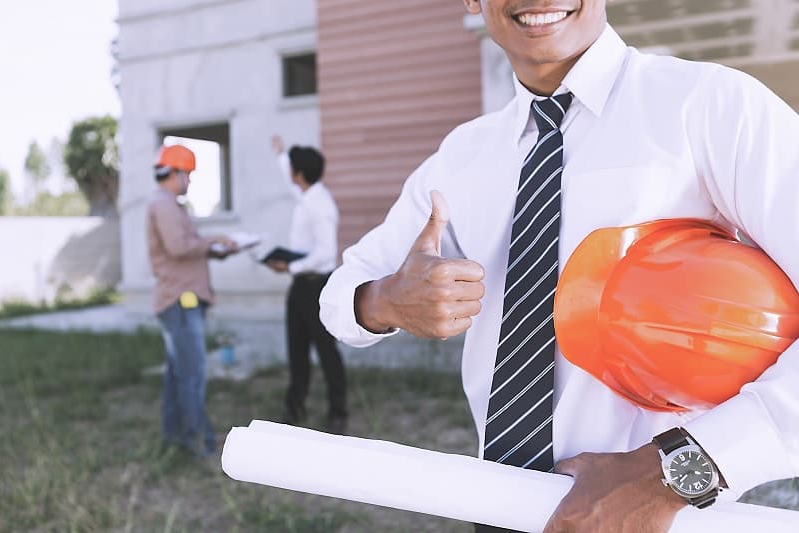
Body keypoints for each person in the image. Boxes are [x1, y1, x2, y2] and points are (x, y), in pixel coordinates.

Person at [318, 1, 799, 532]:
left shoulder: (708, 105)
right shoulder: (461, 157)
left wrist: (673, 472)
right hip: (500, 508)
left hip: (658, 518)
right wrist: (386, 299)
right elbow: (341, 295)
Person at [146, 144, 239, 458]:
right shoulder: (163, 205)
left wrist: (217, 250)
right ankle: (199, 443)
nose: (190, 181)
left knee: (178, 372)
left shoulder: (170, 205)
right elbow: (178, 247)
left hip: (181, 297)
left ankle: (175, 436)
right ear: (175, 172)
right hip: (181, 300)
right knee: (193, 373)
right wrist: (214, 240)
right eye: (188, 174)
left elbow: (187, 248)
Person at [268, 135, 348, 434]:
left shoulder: (320, 205)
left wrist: (290, 266)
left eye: (290, 167)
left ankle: (338, 412)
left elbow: (326, 253)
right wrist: (280, 154)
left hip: (318, 287)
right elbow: (289, 182)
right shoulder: (305, 192)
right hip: (300, 286)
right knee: (296, 349)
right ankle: (294, 408)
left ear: (299, 173)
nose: (288, 172)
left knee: (327, 352)